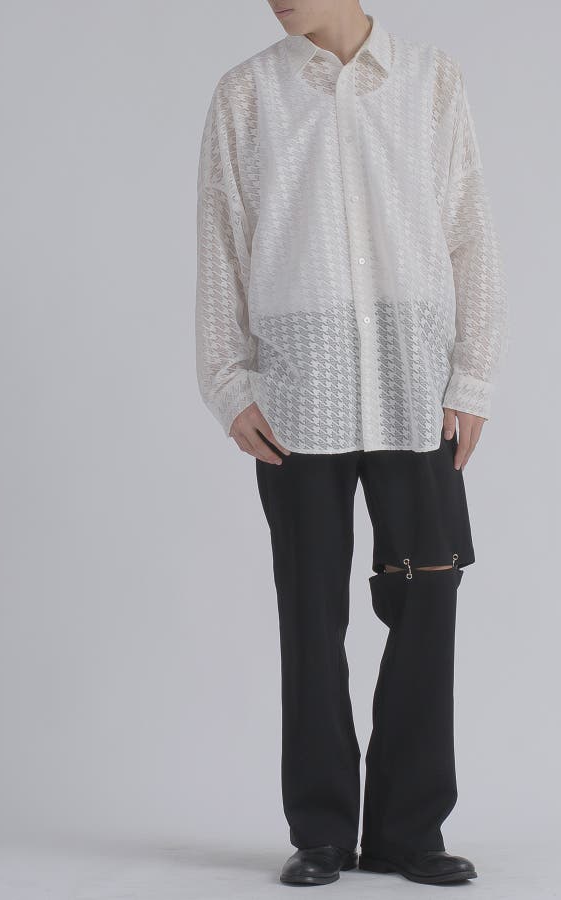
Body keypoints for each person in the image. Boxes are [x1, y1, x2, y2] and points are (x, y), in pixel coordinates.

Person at [195, 1, 508, 887]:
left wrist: (474, 373)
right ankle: (323, 830)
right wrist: (228, 381)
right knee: (310, 613)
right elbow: (222, 238)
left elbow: (470, 227)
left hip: (416, 389)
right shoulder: (247, 95)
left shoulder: (431, 81)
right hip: (298, 396)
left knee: (428, 598)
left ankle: (409, 830)